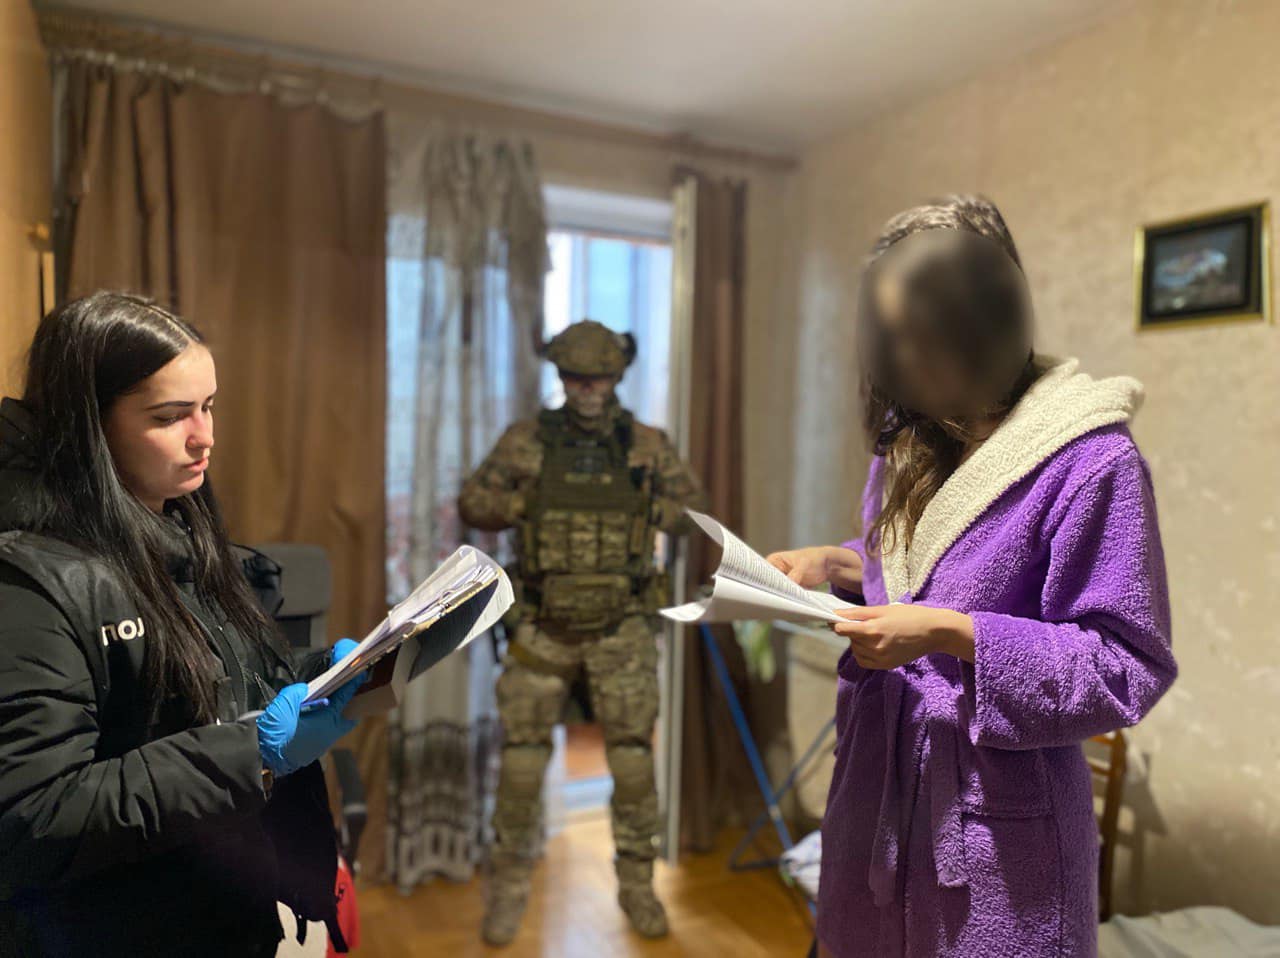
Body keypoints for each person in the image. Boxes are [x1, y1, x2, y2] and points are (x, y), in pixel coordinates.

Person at [767, 196, 1177, 958]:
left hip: (997, 847)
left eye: (924, 336)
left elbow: (1127, 664)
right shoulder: (911, 448)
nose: (907, 360)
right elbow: (920, 573)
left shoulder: (1093, 463)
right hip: (876, 811)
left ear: (987, 319)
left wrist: (952, 635)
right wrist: (839, 565)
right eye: (892, 339)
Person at [0, 292, 366, 957]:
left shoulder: (175, 525)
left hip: (221, 908)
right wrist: (252, 754)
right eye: (170, 417)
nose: (205, 437)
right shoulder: (31, 581)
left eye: (209, 406)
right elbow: (35, 818)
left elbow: (189, 692)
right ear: (89, 425)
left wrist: (321, 678)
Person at [458, 320, 704, 946]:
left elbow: (693, 511)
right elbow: (473, 502)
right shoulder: (525, 441)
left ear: (617, 376)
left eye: (599, 377)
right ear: (560, 376)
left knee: (633, 760)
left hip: (622, 627)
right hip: (543, 625)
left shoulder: (646, 444)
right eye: (575, 377)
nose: (587, 389)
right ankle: (510, 889)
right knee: (521, 762)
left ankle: (637, 885)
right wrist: (525, 505)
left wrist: (645, 508)